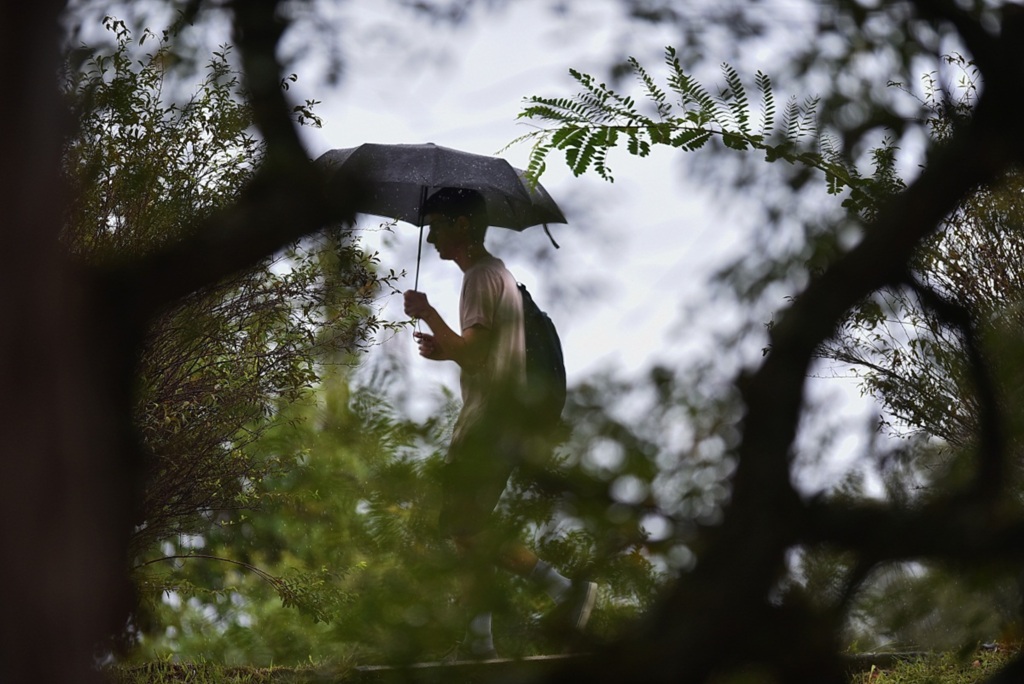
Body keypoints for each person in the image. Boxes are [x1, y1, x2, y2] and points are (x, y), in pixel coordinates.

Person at [403, 187, 597, 660]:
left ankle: (563, 589)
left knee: (466, 529)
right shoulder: (498, 276)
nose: (430, 240)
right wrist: (443, 347)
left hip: (489, 422)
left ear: (462, 227)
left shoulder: (479, 278)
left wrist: (428, 313)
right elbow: (481, 357)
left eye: (437, 226)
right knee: (468, 531)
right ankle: (479, 643)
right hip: (502, 416)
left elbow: (473, 351)